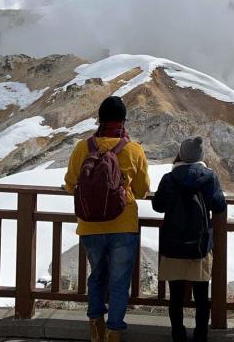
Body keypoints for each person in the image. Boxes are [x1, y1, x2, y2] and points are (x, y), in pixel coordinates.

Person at [64, 96, 150, 342]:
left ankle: (95, 329)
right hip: (123, 226)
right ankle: (114, 333)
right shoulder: (133, 149)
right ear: (123, 121)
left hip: (90, 226)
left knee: (97, 276)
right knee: (120, 281)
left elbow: (71, 183)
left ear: (99, 119)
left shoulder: (83, 147)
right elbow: (143, 189)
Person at [151, 137, 226, 342]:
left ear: (181, 154)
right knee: (202, 296)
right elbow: (219, 205)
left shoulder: (169, 178)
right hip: (199, 247)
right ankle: (201, 335)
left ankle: (178, 334)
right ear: (200, 156)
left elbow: (158, 206)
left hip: (173, 245)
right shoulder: (209, 177)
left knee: (175, 296)